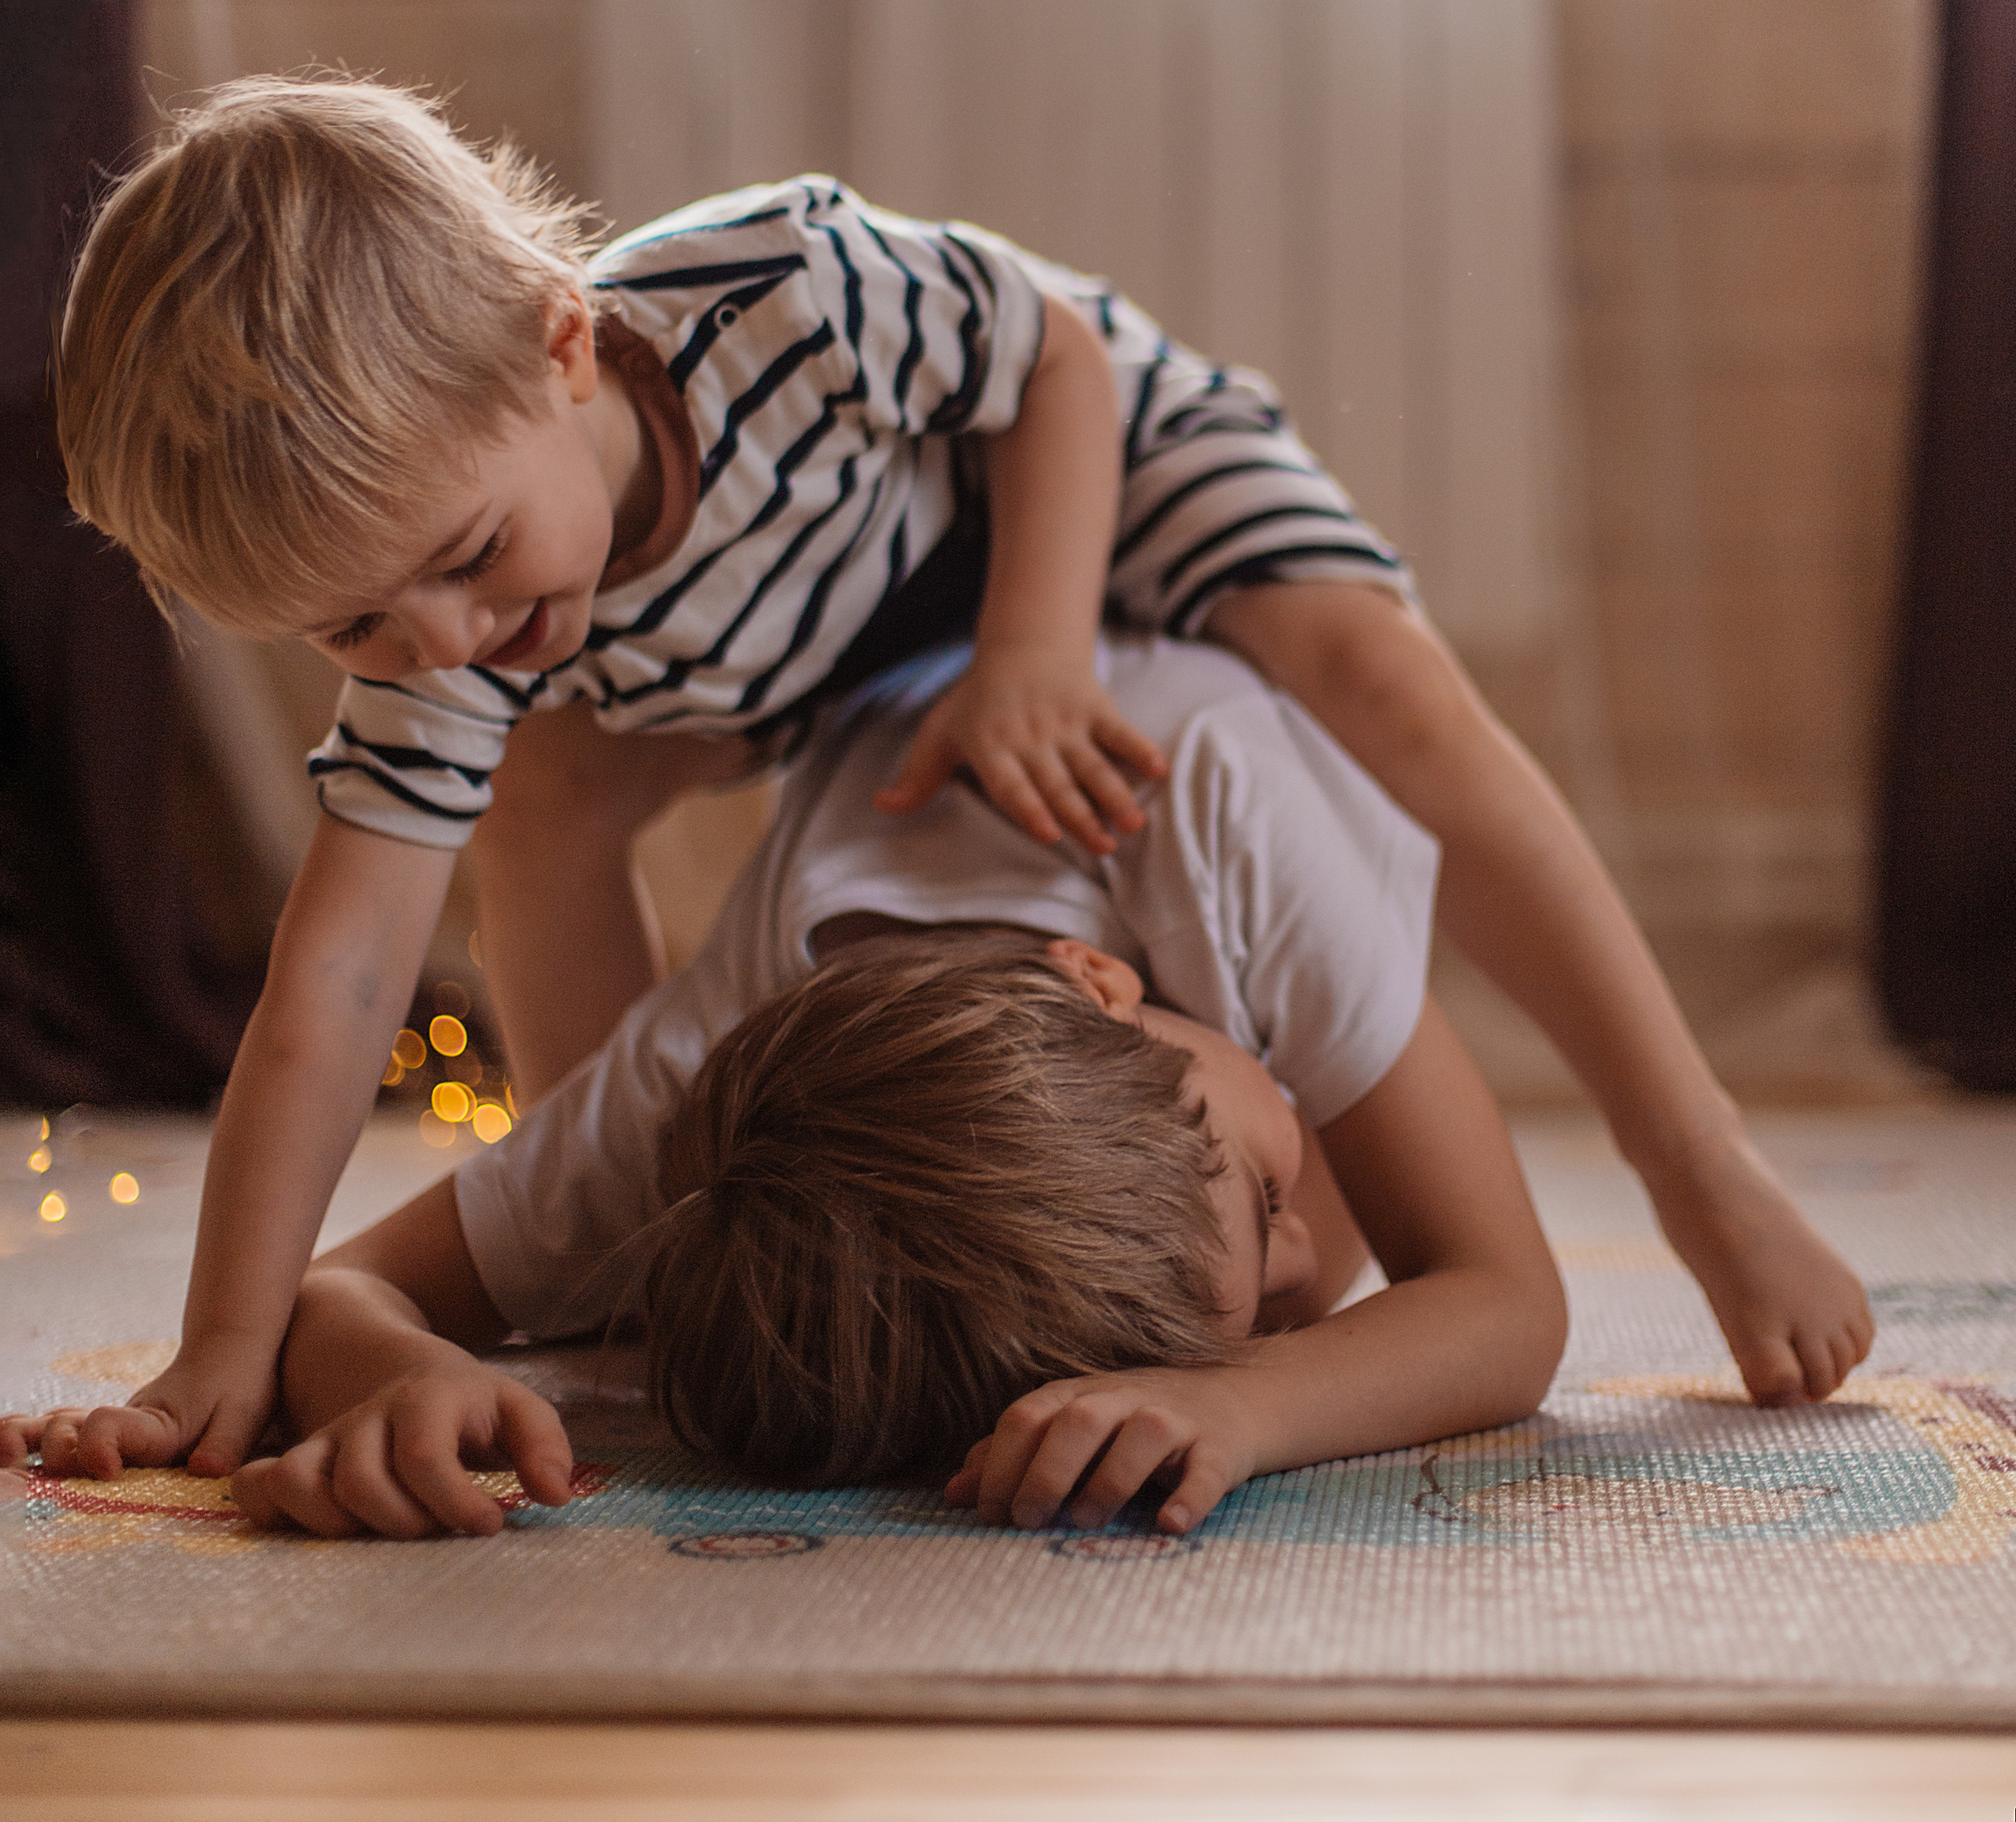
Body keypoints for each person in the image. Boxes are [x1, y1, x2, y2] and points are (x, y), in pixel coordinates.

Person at [28, 73, 1866, 1487]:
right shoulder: (463, 602)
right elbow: (328, 992)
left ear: (559, 342)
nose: (439, 644)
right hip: (817, 642)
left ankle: (1690, 1147)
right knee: (546, 789)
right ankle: (668, 1231)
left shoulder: (786, 289)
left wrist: (1033, 656)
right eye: (355, 629)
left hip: (1073, 483)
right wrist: (231, 1339)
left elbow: (1050, 363)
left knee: (1361, 667)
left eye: (461, 556)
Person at [205, 634, 1568, 1539]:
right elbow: (341, 1288)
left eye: (1261, 1197)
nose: (1315, 1259)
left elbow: (1507, 1300)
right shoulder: (706, 1114)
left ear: (1104, 982)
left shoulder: (1236, 831)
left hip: (1173, 658)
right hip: (895, 705)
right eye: (1271, 1210)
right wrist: (400, 1367)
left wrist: (1248, 1401)